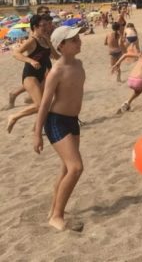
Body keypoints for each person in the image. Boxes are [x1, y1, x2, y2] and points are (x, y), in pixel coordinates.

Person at [33, 25, 87, 232]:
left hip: (73, 121)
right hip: (56, 121)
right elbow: (45, 103)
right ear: (61, 46)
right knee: (76, 168)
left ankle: (53, 209)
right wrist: (37, 133)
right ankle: (56, 216)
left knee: (66, 168)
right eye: (73, 39)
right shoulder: (56, 71)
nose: (78, 41)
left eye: (78, 38)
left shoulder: (79, 64)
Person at [7, 14, 59, 132]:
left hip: (42, 75)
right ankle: (14, 116)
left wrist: (51, 43)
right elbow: (16, 53)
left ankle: (36, 128)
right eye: (43, 25)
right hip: (30, 76)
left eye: (47, 25)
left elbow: (56, 57)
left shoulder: (45, 39)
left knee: (45, 103)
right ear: (35, 27)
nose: (46, 27)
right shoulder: (32, 40)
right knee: (40, 105)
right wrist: (30, 60)